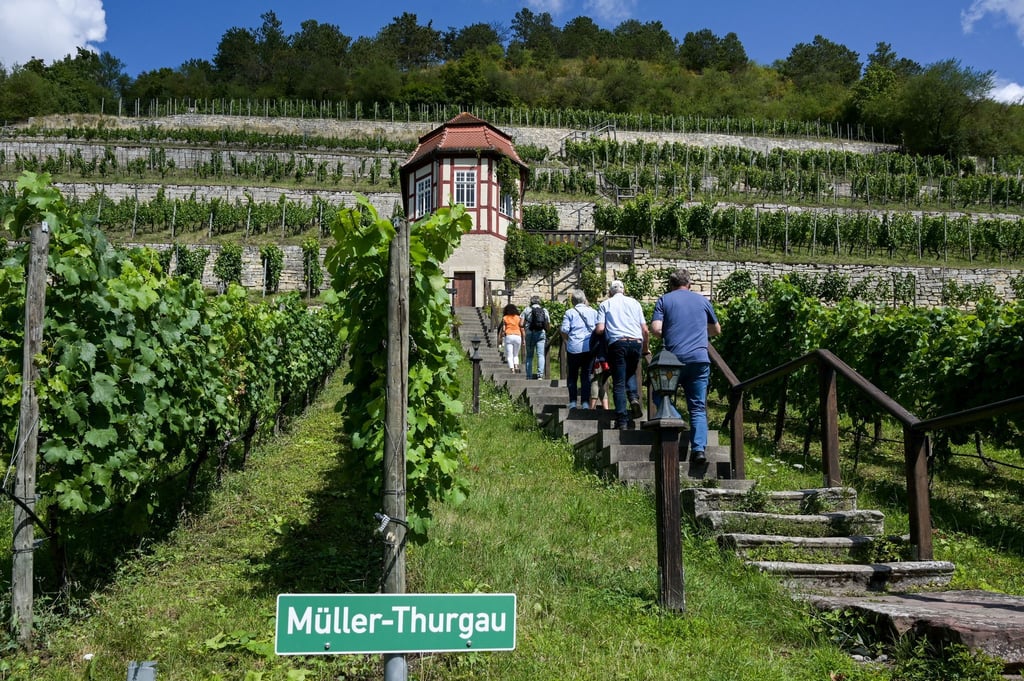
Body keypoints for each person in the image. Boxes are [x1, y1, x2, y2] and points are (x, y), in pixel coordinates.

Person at [651, 268, 722, 464]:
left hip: (672, 361)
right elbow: (716, 330)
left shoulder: (664, 300)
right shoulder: (702, 301)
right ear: (689, 284)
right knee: (698, 407)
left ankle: (676, 419)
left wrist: (672, 329)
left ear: (671, 284)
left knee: (659, 395)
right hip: (699, 359)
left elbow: (656, 329)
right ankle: (699, 450)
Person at [595, 280, 649, 431]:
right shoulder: (635, 303)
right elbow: (645, 330)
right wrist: (645, 349)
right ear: (623, 291)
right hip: (636, 342)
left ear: (610, 292)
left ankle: (622, 420)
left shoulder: (606, 304)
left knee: (618, 382)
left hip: (617, 343)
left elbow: (600, 329)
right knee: (630, 372)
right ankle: (633, 398)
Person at [560, 289, 598, 409]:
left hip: (574, 348)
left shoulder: (569, 313)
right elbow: (598, 329)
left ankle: (572, 402)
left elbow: (564, 330)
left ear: (572, 301)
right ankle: (585, 403)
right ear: (584, 299)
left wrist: (567, 341)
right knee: (586, 376)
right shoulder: (593, 312)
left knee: (572, 376)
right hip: (589, 348)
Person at [521, 295, 550, 380]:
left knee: (529, 356)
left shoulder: (527, 310)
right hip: (541, 333)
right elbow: (548, 325)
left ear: (531, 302)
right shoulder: (544, 310)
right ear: (539, 302)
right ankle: (540, 375)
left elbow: (520, 324)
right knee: (540, 355)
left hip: (530, 333)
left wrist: (527, 322)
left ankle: (529, 376)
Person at [588, 327, 610, 410]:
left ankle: (592, 408)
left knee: (595, 382)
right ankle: (606, 408)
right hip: (607, 361)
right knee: (600, 384)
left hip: (598, 360)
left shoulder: (597, 331)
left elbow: (594, 345)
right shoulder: (610, 329)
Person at [498, 303, 524, 373]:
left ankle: (512, 369)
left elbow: (503, 329)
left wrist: (501, 337)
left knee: (509, 355)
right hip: (518, 336)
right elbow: (522, 328)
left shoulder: (505, 318)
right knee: (516, 354)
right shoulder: (518, 318)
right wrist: (524, 339)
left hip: (509, 336)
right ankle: (516, 366)